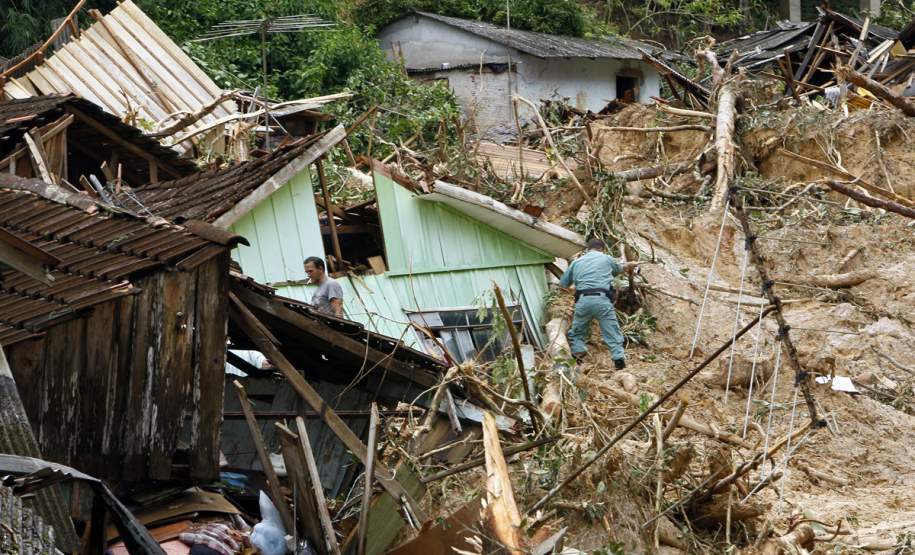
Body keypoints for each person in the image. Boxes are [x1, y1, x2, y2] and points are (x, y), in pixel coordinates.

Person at [559, 238, 639, 369]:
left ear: (588, 249)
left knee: (578, 331)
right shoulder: (606, 258)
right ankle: (619, 360)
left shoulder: (576, 262)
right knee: (611, 331)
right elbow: (618, 269)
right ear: (602, 248)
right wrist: (630, 265)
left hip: (583, 301)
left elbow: (563, 284)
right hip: (602, 301)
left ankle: (577, 355)